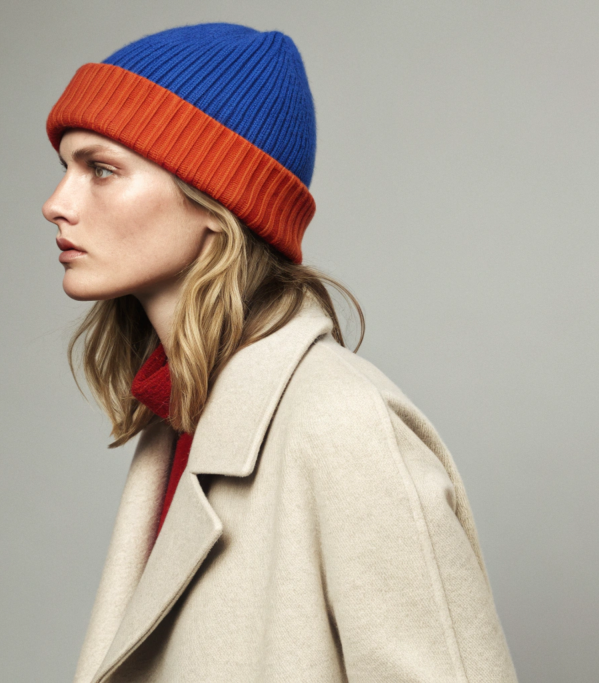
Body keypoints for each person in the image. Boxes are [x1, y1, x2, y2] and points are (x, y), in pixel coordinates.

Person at [42, 22, 518, 683]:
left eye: (100, 169)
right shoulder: (179, 416)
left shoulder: (341, 424)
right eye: (64, 168)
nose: (56, 204)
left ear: (214, 198)